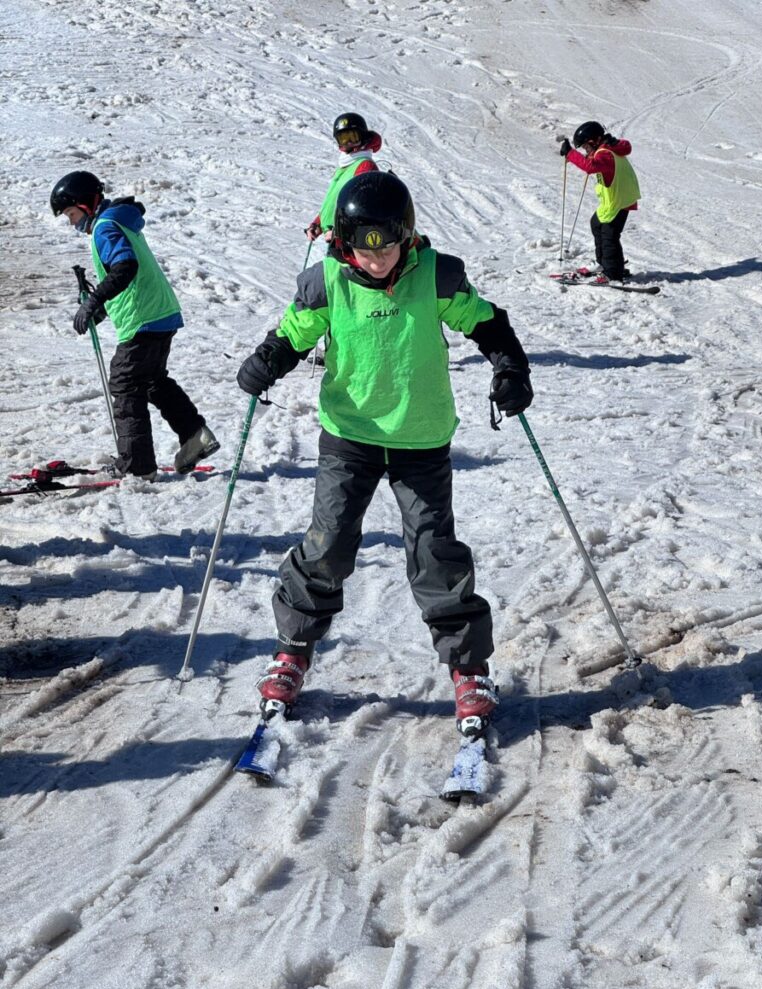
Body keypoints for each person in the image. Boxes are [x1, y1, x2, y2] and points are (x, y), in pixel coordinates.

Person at [238, 172, 533, 739]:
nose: (376, 260)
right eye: (363, 250)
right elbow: (294, 335)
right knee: (328, 543)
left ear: (407, 236)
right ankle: (293, 648)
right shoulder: (326, 282)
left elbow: (489, 325)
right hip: (349, 436)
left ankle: (468, 667)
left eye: (387, 247)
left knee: (434, 552)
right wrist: (267, 360)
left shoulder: (437, 277)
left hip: (420, 438)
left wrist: (511, 369)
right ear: (343, 243)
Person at [50, 171, 219, 478]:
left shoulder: (104, 227)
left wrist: (94, 300)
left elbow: (125, 267)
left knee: (125, 383)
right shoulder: (119, 221)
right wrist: (102, 308)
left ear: (86, 204)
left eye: (72, 214)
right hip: (160, 314)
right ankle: (195, 436)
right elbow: (126, 277)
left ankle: (137, 466)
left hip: (143, 319)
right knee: (153, 380)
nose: (72, 223)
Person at [559, 121, 640, 282]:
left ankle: (613, 273)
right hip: (613, 201)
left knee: (609, 236)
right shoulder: (606, 150)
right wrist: (573, 155)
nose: (586, 150)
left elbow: (591, 166)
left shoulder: (605, 154)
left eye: (586, 147)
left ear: (594, 141)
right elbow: (593, 159)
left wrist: (571, 154)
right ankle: (603, 263)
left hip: (618, 202)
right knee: (596, 224)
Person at [304, 112, 381, 244]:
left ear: (363, 137)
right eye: (344, 139)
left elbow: (361, 206)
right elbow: (333, 202)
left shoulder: (365, 165)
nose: (349, 142)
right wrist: (318, 224)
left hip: (349, 241)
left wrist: (341, 230)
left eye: (353, 137)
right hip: (335, 239)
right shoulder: (345, 167)